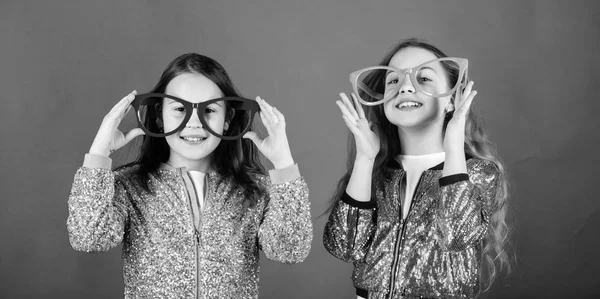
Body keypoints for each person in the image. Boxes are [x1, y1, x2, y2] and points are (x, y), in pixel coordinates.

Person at [67, 53, 312, 299]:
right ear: (160, 118)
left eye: (210, 111)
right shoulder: (131, 186)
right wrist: (98, 154)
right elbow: (88, 237)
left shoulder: (254, 190)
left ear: (227, 120)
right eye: (180, 109)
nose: (194, 123)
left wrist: (283, 164)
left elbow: (290, 250)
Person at [323, 38, 510, 299]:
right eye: (393, 81)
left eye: (423, 79)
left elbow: (457, 235)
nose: (405, 87)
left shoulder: (477, 172)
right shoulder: (376, 173)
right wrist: (365, 159)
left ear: (452, 100)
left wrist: (454, 144)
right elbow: (344, 247)